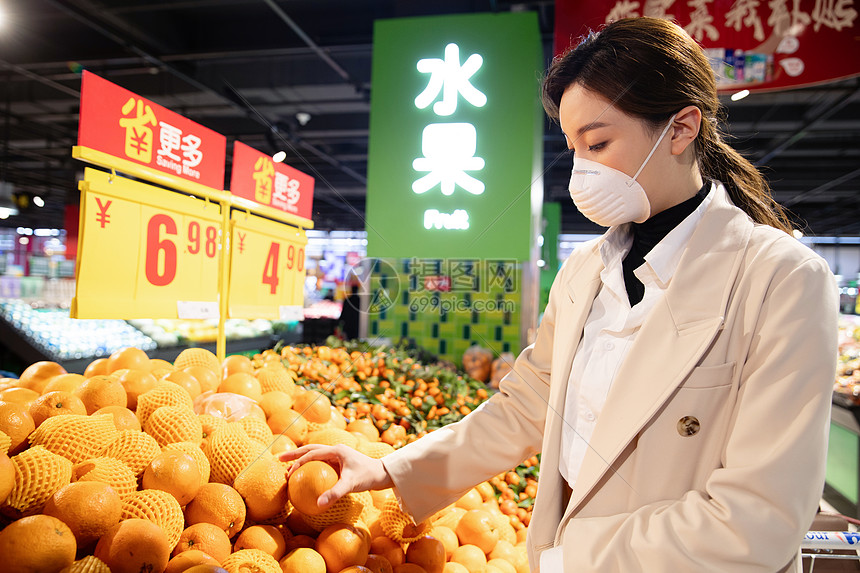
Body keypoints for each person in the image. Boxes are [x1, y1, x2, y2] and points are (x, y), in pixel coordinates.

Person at [281, 17, 838, 572]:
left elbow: (759, 520)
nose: (581, 170)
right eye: (574, 147)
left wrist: (573, 561)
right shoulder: (584, 272)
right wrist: (392, 469)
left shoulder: (781, 280)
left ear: (681, 128)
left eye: (598, 142)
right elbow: (527, 407)